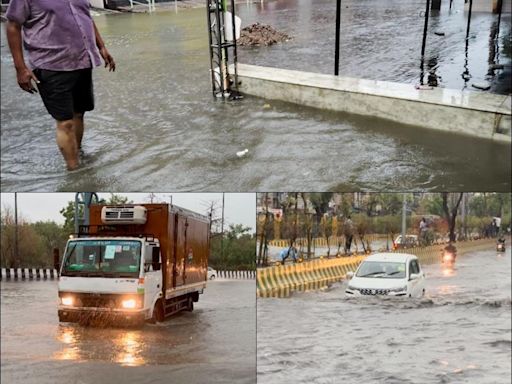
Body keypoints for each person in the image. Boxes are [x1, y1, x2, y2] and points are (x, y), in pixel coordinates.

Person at [5, 0, 116, 170]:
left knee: (79, 114)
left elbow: (85, 18)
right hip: (50, 64)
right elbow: (13, 25)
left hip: (82, 61)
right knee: (65, 122)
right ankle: (73, 171)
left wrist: (101, 47)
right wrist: (20, 68)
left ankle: (78, 154)